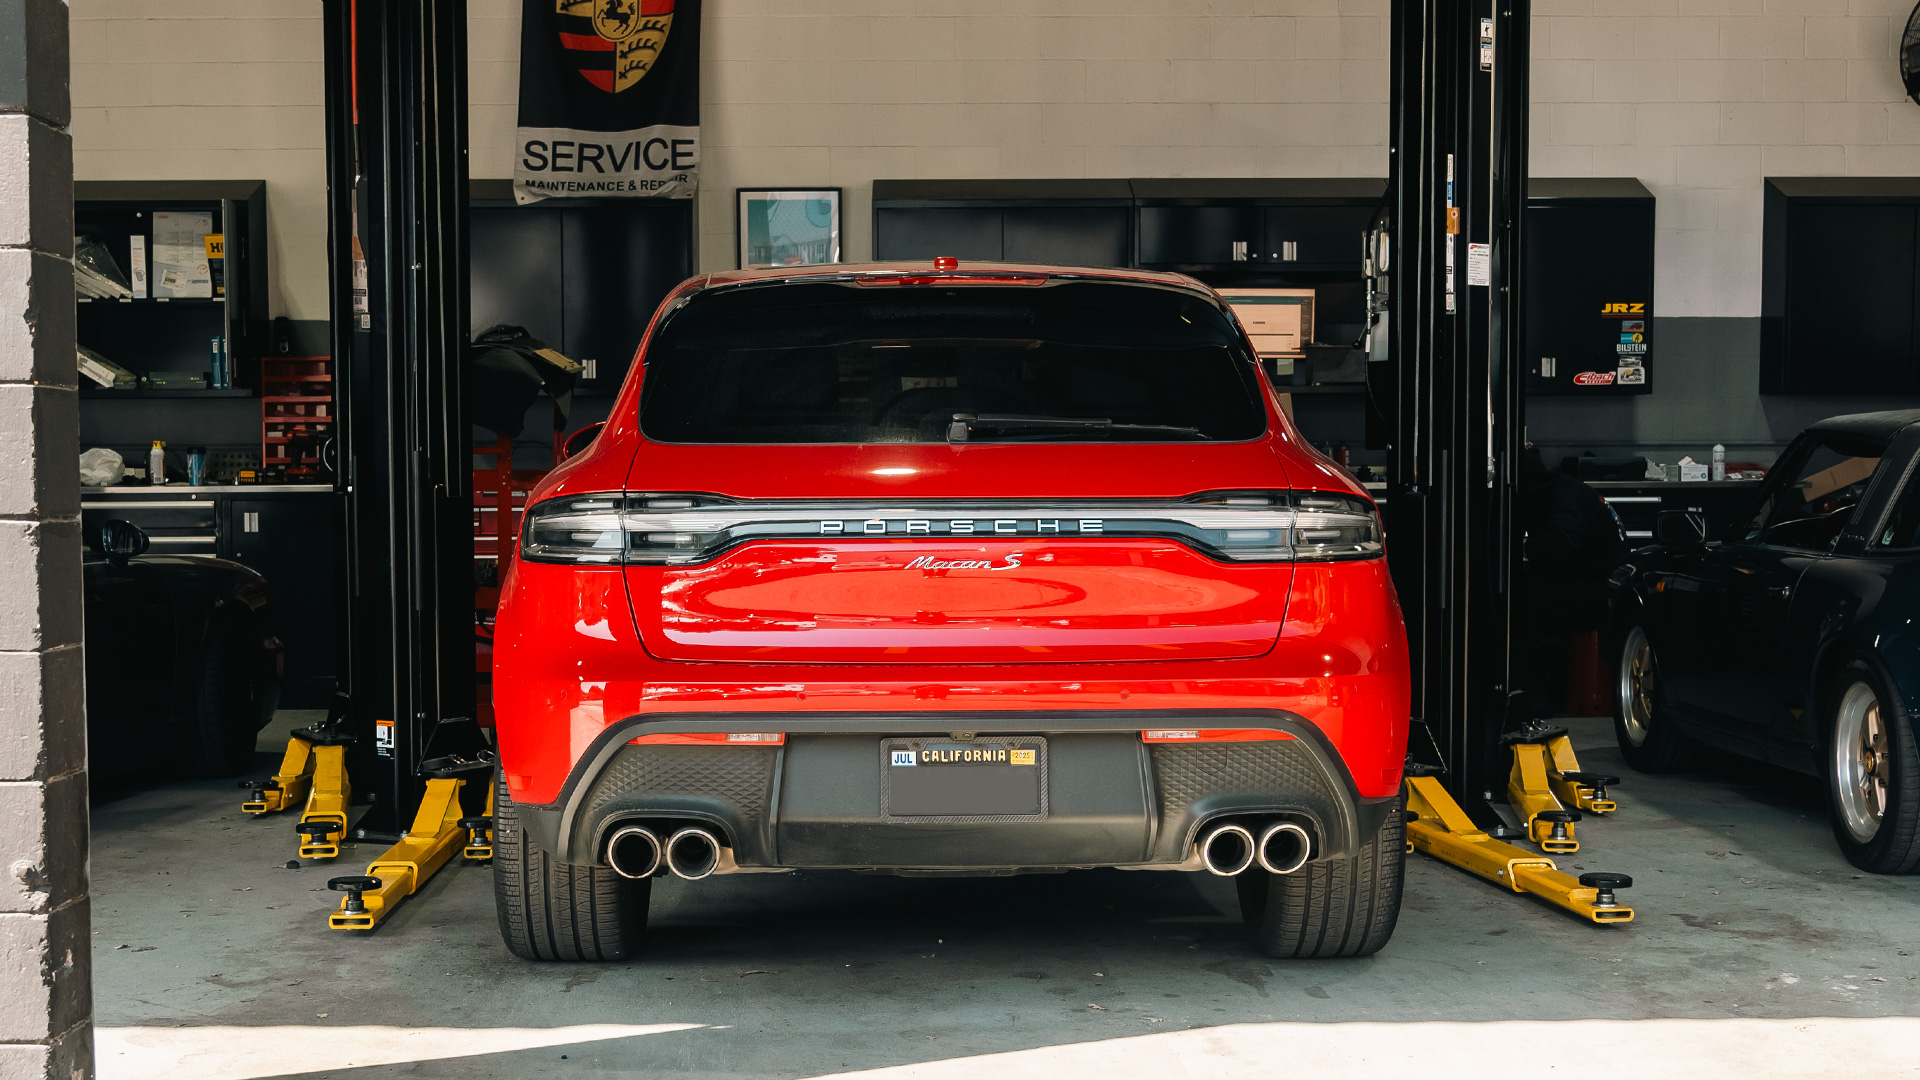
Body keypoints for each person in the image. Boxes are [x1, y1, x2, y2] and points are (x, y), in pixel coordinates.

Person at [1518, 447, 1629, 718]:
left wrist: (1524, 547)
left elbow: (1562, 545)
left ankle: (1536, 702)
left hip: (1600, 592)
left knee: (1521, 605)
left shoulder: (1561, 497)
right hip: (1607, 586)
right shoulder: (1565, 489)